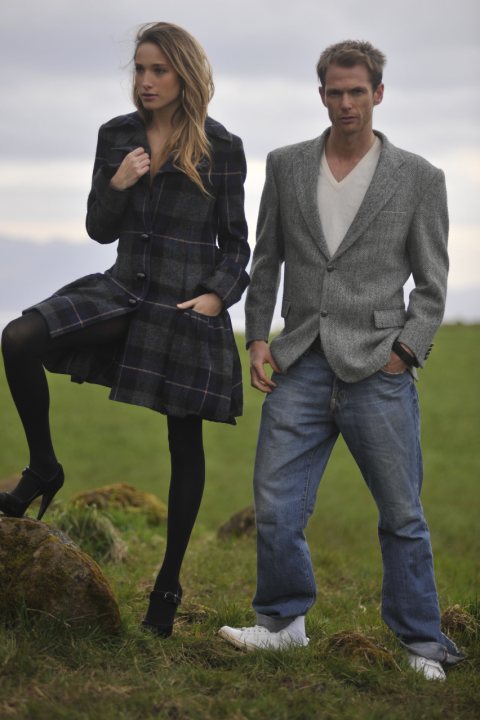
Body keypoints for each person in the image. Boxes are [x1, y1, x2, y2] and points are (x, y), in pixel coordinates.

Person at [218, 40, 464, 680]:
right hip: (299, 358)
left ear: (378, 94)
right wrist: (257, 337)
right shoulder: (287, 165)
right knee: (275, 504)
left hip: (378, 365)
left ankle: (421, 644)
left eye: (358, 91)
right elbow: (265, 258)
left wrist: (405, 352)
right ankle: (281, 623)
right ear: (321, 94)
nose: (347, 102)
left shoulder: (418, 177)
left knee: (402, 515)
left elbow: (433, 285)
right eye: (335, 91)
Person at [0, 21, 249, 638]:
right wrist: (118, 183)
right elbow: (97, 228)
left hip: (185, 306)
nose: (144, 81)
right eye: (138, 69)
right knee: (18, 338)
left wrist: (219, 297)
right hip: (123, 288)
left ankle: (168, 582)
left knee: (183, 443)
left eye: (157, 70)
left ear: (184, 74)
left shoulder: (222, 147)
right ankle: (43, 470)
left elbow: (238, 243)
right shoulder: (116, 136)